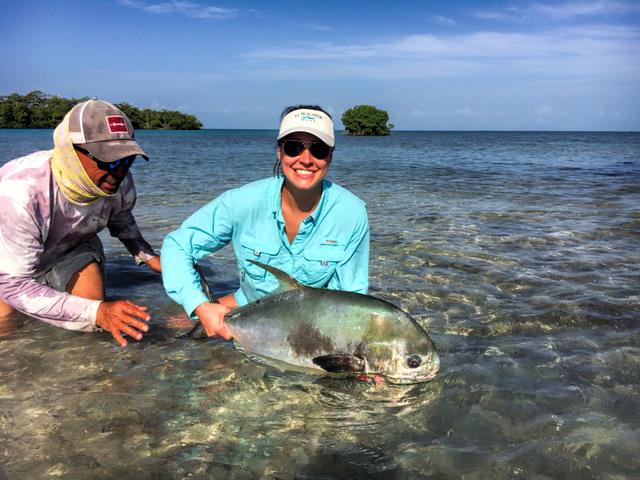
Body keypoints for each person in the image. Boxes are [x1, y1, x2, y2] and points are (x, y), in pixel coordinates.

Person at [161, 105, 369, 338]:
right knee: (173, 331)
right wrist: (199, 305)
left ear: (330, 156)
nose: (306, 159)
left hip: (313, 324)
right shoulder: (241, 202)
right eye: (294, 147)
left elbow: (351, 295)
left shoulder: (352, 212)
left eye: (318, 149)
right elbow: (177, 245)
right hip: (250, 309)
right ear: (279, 152)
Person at [0, 99, 161, 347]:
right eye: (108, 160)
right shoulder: (20, 192)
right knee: (7, 327)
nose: (119, 172)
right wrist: (98, 313)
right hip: (6, 262)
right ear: (70, 151)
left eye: (126, 160)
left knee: (92, 310)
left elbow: (120, 217)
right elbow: (12, 284)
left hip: (70, 247)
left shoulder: (120, 183)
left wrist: (148, 257)